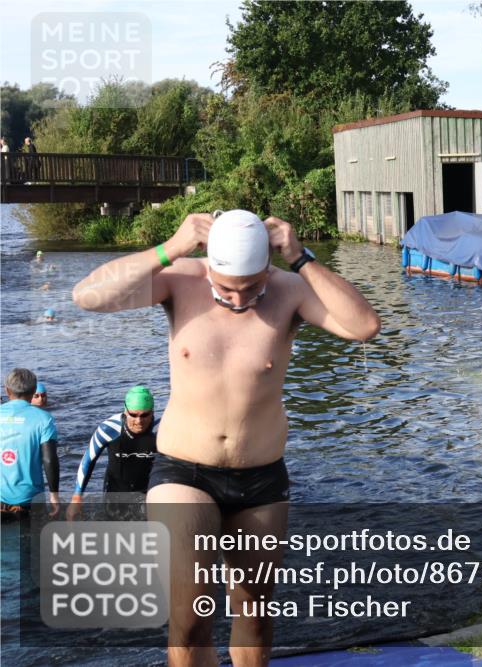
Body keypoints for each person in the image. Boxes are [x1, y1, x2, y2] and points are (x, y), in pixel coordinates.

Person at [72, 210, 380, 665]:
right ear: (208, 265)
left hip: (261, 478)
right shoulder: (180, 280)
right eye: (227, 287)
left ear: (267, 272)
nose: (239, 299)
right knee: (190, 617)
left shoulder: (291, 290)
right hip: (183, 471)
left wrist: (301, 259)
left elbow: (364, 326)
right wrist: (168, 248)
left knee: (255, 612)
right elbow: (87, 296)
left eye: (252, 287)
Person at [66, 386, 158, 522]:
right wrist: (76, 498)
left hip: (148, 493)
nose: (139, 421)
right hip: (116, 492)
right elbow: (88, 460)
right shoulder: (109, 429)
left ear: (152, 412)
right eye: (133, 415)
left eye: (145, 415)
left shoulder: (161, 429)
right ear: (125, 411)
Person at [0, 368, 59, 519]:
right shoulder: (44, 419)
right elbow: (49, 459)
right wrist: (54, 496)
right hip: (30, 499)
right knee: (31, 541)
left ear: (7, 390)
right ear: (33, 390)